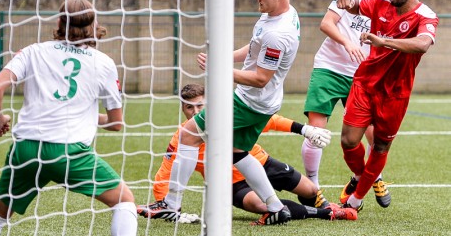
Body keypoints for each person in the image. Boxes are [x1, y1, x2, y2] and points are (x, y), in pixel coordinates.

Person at [137, 0, 331, 225]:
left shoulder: (277, 33)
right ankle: (275, 207)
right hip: (263, 101)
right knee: (237, 152)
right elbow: (253, 50)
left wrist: (219, 70)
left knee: (188, 135)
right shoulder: (279, 14)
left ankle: (170, 204)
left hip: (250, 101)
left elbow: (261, 78)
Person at [0, 0, 138, 236]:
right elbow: (115, 124)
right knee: (124, 200)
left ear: (60, 21)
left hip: (26, 150)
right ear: (93, 25)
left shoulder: (33, 51)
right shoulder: (103, 63)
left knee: (2, 206)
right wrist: (87, 116)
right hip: (69, 153)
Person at [138, 84, 355, 225]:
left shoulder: (229, 116)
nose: (195, 112)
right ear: (182, 109)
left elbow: (272, 121)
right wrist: (166, 204)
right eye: (188, 108)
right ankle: (326, 213)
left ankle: (322, 204)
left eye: (199, 106)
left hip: (261, 163)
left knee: (310, 189)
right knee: (262, 206)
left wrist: (304, 129)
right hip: (231, 185)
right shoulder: (184, 136)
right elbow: (166, 171)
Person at [335, 0, 438, 211]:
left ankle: (356, 200)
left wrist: (384, 41)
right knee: (348, 141)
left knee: (380, 146)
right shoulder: (380, 4)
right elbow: (356, 5)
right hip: (365, 84)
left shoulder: (426, 15)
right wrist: (346, 2)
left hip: (395, 94)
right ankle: (361, 177)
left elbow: (423, 44)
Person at [301, 0, 398, 208]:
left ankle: (371, 176)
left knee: (374, 137)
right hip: (329, 68)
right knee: (316, 132)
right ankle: (313, 189)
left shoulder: (392, 5)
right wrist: (347, 42)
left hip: (364, 75)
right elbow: (326, 23)